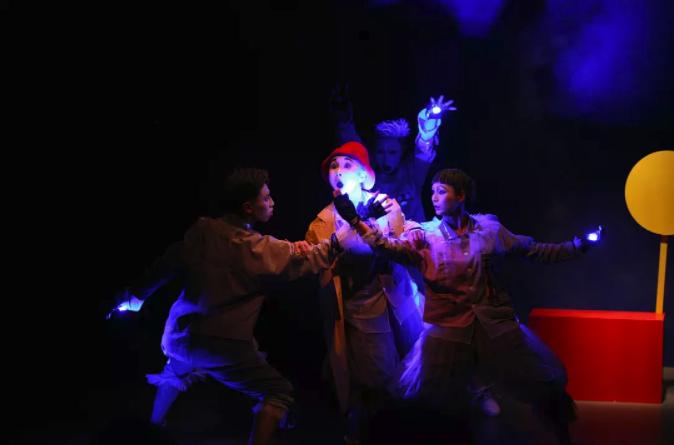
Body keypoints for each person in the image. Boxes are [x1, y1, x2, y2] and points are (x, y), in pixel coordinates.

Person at [333, 168, 602, 445]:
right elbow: (386, 247)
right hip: (449, 329)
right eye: (432, 192)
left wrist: (576, 246)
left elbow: (532, 249)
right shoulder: (425, 236)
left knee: (540, 383)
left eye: (442, 191)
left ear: (461, 196)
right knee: (432, 403)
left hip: (492, 324)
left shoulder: (488, 230)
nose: (434, 197)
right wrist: (356, 220)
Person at [109, 168, 348, 445]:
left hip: (181, 335)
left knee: (177, 369)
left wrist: (133, 299)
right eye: (266, 198)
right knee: (278, 392)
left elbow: (168, 264)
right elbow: (302, 258)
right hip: (222, 345)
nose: (272, 202)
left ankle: (148, 435)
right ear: (248, 207)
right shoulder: (253, 247)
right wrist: (348, 232)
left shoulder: (203, 230)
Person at [305, 141, 423, 444]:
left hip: (398, 298)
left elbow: (402, 241)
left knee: (415, 361)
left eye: (347, 164)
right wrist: (354, 226)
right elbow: (322, 262)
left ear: (363, 174)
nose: (339, 171)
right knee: (376, 377)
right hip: (362, 307)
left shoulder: (384, 203)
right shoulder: (322, 222)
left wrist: (412, 230)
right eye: (333, 166)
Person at [330, 83, 455, 222]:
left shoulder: (412, 172)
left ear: (402, 152)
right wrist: (342, 113)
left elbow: (424, 147)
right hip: (376, 234)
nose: (386, 159)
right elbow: (351, 143)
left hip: (414, 234)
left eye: (392, 152)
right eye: (380, 152)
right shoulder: (365, 175)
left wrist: (429, 125)